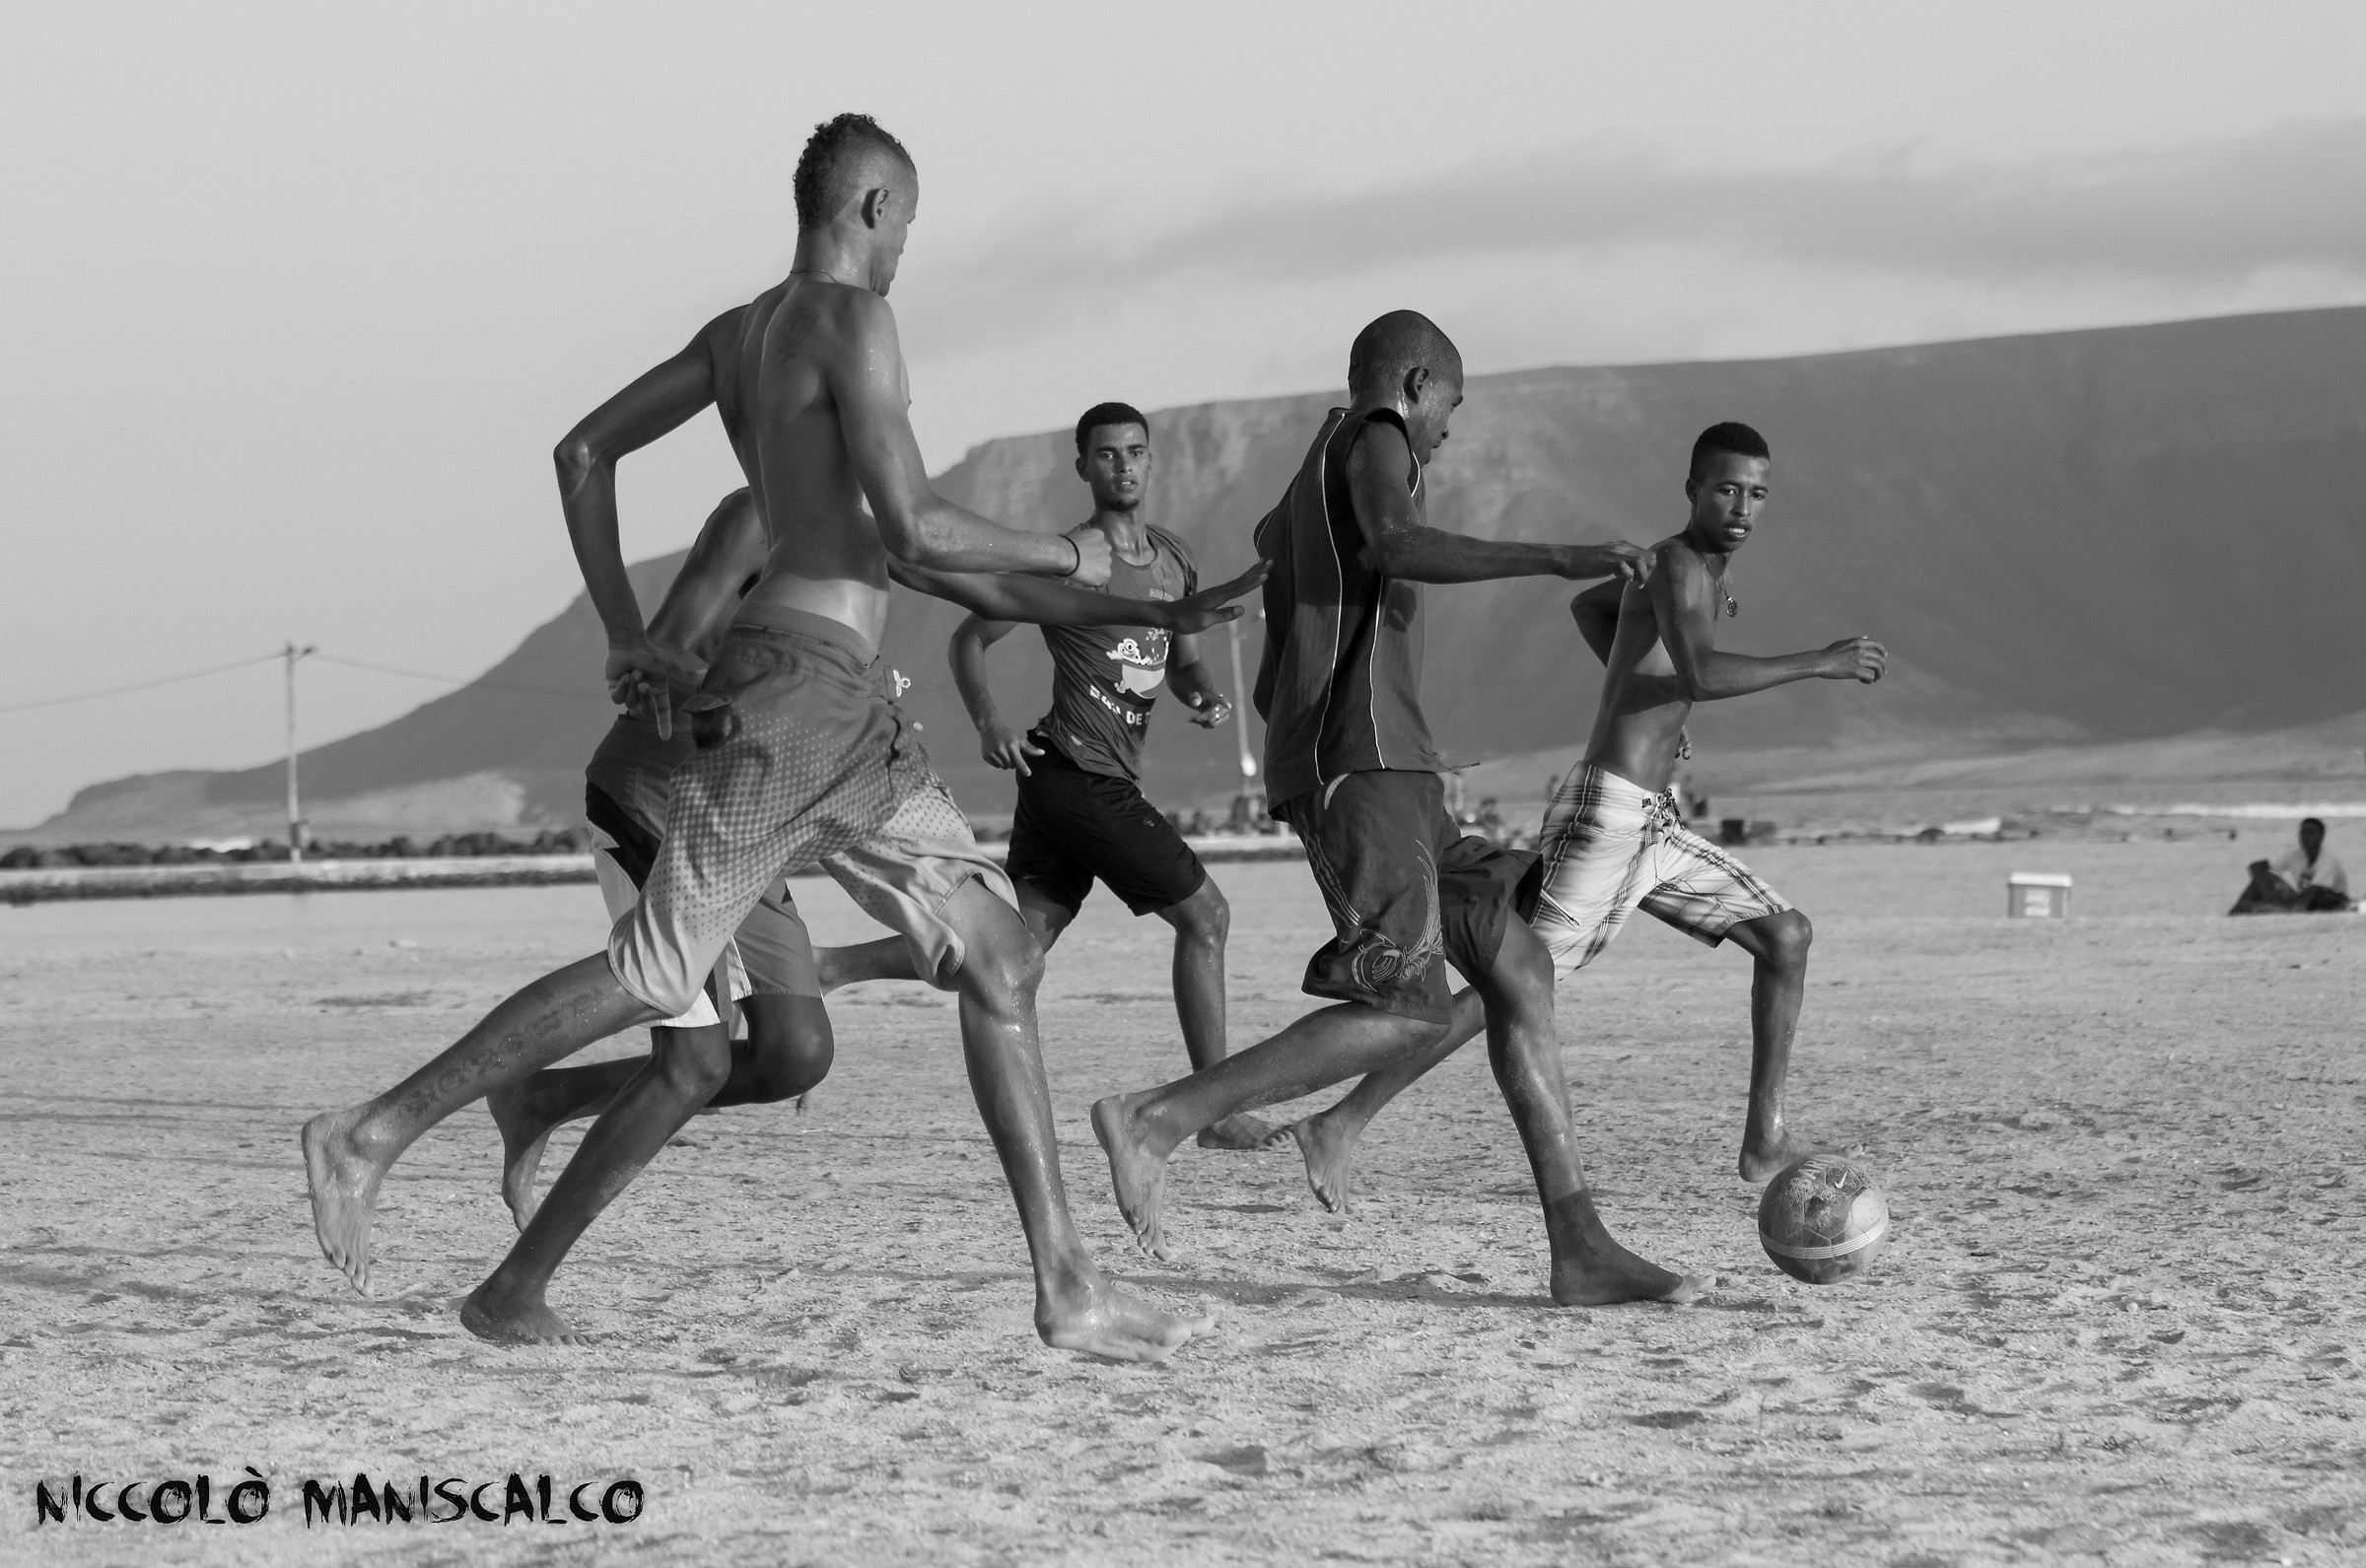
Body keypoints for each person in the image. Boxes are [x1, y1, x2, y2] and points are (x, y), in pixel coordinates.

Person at [303, 113, 1249, 1360]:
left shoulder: (741, 334)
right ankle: (371, 1129)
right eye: (908, 221)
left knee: (999, 957)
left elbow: (584, 453)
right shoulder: (853, 321)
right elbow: (915, 528)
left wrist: (625, 630)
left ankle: (1066, 1284)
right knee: (661, 983)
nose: (909, 247)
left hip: (848, 713)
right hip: (795, 700)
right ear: (869, 207)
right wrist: (1074, 546)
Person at [1089, 310, 1700, 1308]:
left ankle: (1579, 1243)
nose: (1446, 434)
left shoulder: (1300, 489)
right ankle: (1158, 1115)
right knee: (1405, 1012)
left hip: (1395, 767)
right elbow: (1397, 542)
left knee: (1522, 971)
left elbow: (1276, 654)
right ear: (1415, 382)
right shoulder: (1376, 438)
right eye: (1449, 410)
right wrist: (1557, 558)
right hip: (1363, 765)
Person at [486, 486, 1256, 1233]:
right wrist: (790, 688)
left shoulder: (858, 526)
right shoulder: (760, 515)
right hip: (673, 793)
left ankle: (542, 1100)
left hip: (763, 805)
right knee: (692, 1061)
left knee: (797, 1053)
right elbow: (676, 651)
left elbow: (996, 594)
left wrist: (1155, 612)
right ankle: (430, 1175)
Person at [1277, 422, 1887, 1212]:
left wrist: (1649, 693)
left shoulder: (1686, 571)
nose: (1741, 507)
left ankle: (1765, 1138)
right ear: (1693, 488)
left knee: (1786, 936)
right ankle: (1342, 1119)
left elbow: (1592, 610)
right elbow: (1698, 669)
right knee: (1510, 984)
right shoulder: (1677, 565)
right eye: (1726, 489)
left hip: (1656, 822)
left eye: (1757, 493)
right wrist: (1820, 660)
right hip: (1608, 817)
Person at [821, 402, 1276, 1149]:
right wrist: (989, 722)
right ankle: (1213, 1111)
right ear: (1083, 467)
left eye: (1135, 451)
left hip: (1077, 784)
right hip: (1076, 777)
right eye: (1106, 454)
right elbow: (971, 637)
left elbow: (1182, 656)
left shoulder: (1173, 558)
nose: (1123, 466)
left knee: (1017, 943)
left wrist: (1203, 695)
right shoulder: (1073, 559)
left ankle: (831, 964)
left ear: (1152, 459)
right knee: (1208, 918)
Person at [2231, 817, 2352, 914]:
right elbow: (2256, 867)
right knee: (2260, 879)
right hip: (2304, 899)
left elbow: (2311, 894)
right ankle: (2239, 910)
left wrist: (2277, 900)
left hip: (2330, 902)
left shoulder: (2328, 862)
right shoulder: (2296, 856)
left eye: (2310, 833)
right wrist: (2268, 891)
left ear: (2321, 837)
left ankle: (2269, 908)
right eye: (2302, 832)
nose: (2305, 837)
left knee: (2314, 897)